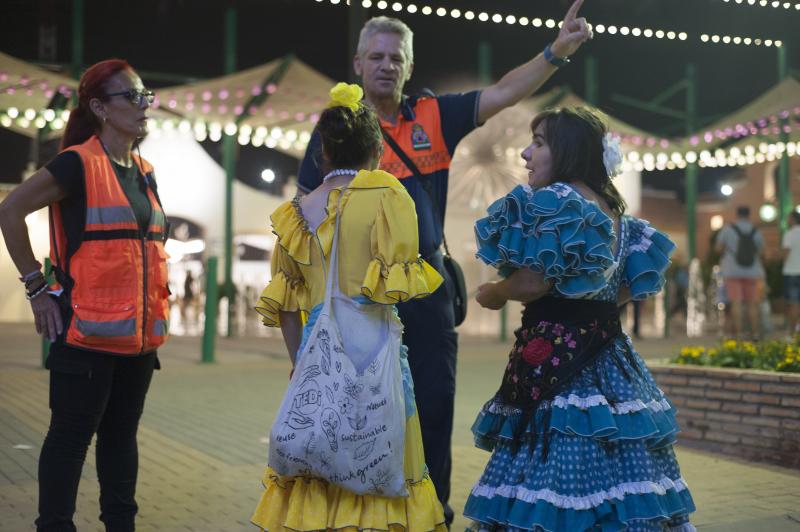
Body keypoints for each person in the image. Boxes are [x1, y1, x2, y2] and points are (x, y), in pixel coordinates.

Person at [297, 1, 592, 522]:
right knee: (365, 413)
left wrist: (555, 51)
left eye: (397, 57)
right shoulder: (336, 132)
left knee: (433, 408)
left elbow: (502, 93)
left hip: (428, 292)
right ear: (358, 64)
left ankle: (433, 514)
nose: (387, 65)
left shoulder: (434, 116)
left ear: (410, 67)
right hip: (360, 299)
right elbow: (305, 214)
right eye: (377, 56)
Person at [465, 107, 696, 531]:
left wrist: (496, 292)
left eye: (538, 143)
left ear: (567, 151)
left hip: (557, 363)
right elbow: (623, 291)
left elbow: (534, 282)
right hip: (612, 359)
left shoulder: (556, 202)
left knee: (558, 464)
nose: (525, 153)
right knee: (620, 463)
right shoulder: (617, 215)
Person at [252, 83, 446, 531]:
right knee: (383, 452)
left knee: (321, 448)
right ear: (376, 149)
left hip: (318, 347)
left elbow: (284, 302)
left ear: (322, 151)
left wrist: (300, 360)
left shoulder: (296, 211)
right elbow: (399, 283)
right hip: (373, 346)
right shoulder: (388, 195)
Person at [0, 59, 168, 532]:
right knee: (71, 441)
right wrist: (36, 287)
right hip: (85, 338)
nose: (143, 105)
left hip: (138, 343)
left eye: (145, 95)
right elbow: (10, 210)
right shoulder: (77, 163)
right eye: (130, 96)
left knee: (120, 440)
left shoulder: (144, 169)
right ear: (99, 107)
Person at [715, 205, 765, 339]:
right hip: (752, 271)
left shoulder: (728, 229)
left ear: (736, 214)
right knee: (752, 303)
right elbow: (761, 251)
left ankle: (739, 334)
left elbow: (718, 248)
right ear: (749, 215)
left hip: (732, 271)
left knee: (736, 302)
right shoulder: (756, 230)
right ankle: (755, 334)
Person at [782, 210, 800, 336]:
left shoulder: (789, 234)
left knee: (793, 304)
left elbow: (785, 253)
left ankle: (792, 334)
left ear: (793, 219)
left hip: (792, 272)